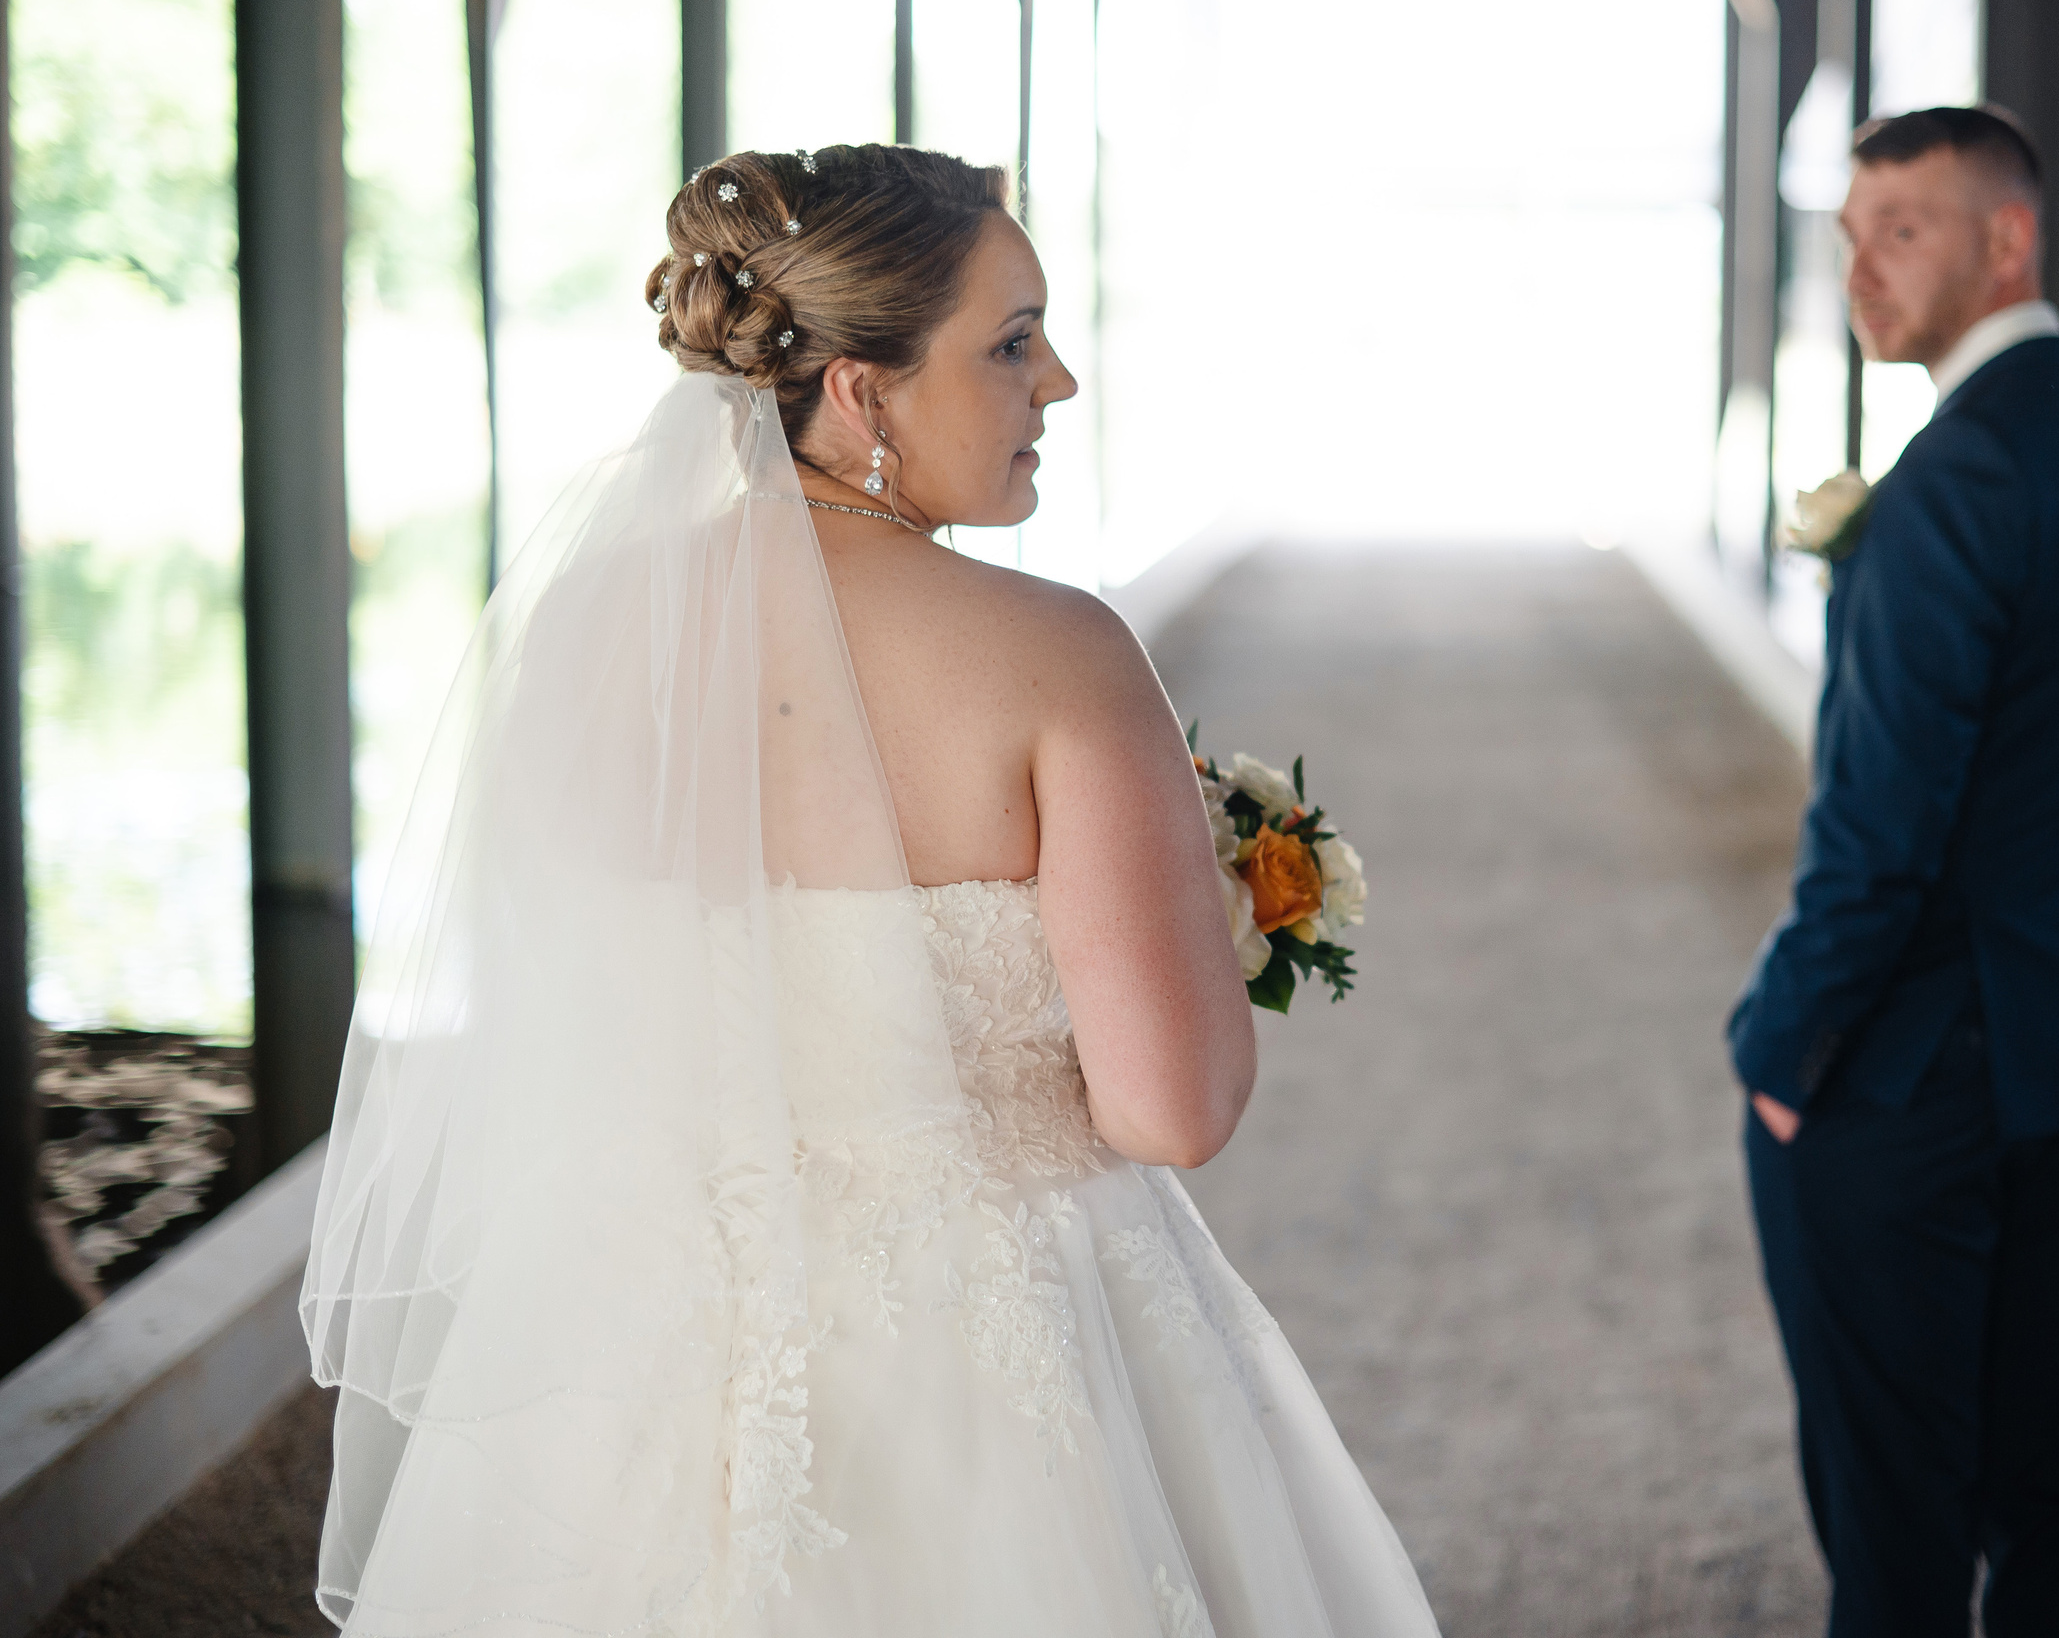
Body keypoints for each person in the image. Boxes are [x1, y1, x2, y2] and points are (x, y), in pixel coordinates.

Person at [302, 144, 1440, 1636]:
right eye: (1013, 342)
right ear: (861, 391)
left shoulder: (584, 629)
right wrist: (1219, 919)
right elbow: (1172, 1111)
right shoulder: (1056, 654)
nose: (1060, 385)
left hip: (641, 1339)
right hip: (993, 1343)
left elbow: (559, 1018)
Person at [1727, 107, 2059, 1637]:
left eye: (1905, 230)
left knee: (1896, 1522)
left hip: (1900, 1085)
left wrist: (1786, 1052)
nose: (1862, 267)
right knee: (2050, 1479)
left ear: (2010, 240)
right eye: (1852, 233)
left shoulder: (1948, 489)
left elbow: (1881, 825)